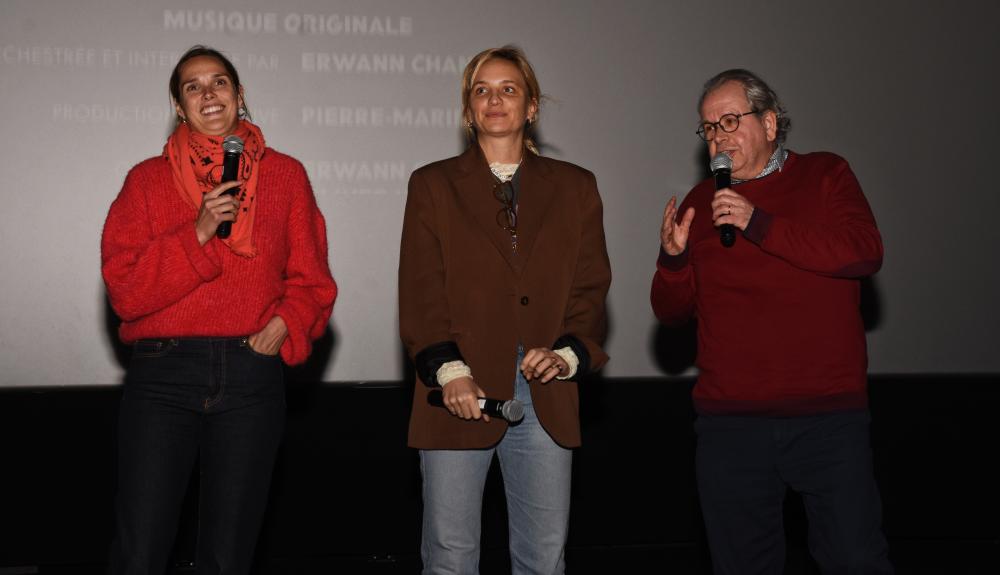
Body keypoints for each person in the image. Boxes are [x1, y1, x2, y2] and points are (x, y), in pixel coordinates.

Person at [101, 45, 337, 574]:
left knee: (229, 556)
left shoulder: (285, 176)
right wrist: (199, 233)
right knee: (140, 551)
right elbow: (125, 290)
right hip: (163, 374)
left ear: (239, 94)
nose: (208, 93)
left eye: (219, 82)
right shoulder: (146, 181)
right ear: (178, 106)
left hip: (250, 376)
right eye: (193, 86)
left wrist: (286, 324)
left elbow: (312, 280)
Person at [651, 69, 893, 574]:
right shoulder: (699, 202)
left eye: (729, 121)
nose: (718, 137)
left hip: (827, 418)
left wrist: (756, 222)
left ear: (768, 123)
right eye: (709, 127)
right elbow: (671, 314)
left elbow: (863, 252)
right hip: (730, 425)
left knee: (854, 560)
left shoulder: (826, 174)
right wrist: (673, 261)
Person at [399, 45, 611, 574]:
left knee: (543, 558)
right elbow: (421, 291)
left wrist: (566, 354)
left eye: (508, 89)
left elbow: (590, 288)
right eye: (482, 91)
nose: (495, 100)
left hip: (546, 392)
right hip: (458, 390)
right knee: (450, 558)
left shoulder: (576, 186)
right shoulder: (432, 184)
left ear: (531, 106)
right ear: (469, 110)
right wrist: (450, 371)